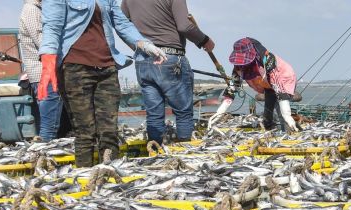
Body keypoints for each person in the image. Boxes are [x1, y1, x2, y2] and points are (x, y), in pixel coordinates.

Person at [38, 0, 166, 167]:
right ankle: (84, 177)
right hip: (74, 68)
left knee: (109, 131)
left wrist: (144, 44)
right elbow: (52, 27)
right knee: (85, 132)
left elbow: (122, 23)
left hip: (107, 68)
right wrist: (48, 62)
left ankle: (110, 174)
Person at [121, 0, 214, 144]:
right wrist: (204, 40)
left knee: (154, 115)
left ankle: (155, 151)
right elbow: (184, 26)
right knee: (183, 112)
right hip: (169, 57)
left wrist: (137, 46)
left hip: (143, 60)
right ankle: (184, 149)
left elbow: (122, 25)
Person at [228, 38, 298, 132]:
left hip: (281, 84)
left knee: (282, 113)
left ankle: (288, 130)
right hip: (268, 88)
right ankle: (269, 128)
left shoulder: (268, 60)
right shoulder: (241, 67)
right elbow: (232, 88)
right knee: (267, 114)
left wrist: (287, 115)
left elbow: (279, 88)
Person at [19, 0, 63, 141]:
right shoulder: (32, 10)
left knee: (49, 124)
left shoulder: (35, 9)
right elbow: (44, 41)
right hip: (44, 74)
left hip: (43, 74)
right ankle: (43, 156)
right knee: (49, 127)